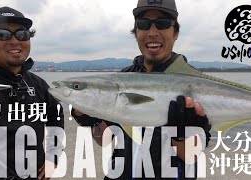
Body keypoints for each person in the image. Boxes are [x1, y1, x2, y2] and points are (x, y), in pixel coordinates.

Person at [72, 0, 211, 179]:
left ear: (175, 32)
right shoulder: (121, 80)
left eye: (162, 23)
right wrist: (87, 119)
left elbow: (191, 156)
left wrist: (180, 135)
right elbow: (104, 139)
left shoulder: (195, 84)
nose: (152, 33)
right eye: (143, 24)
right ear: (136, 32)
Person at [0, 6, 64, 179]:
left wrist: (53, 155)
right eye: (2, 34)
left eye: (22, 34)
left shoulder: (38, 85)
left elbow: (56, 115)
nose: (15, 41)